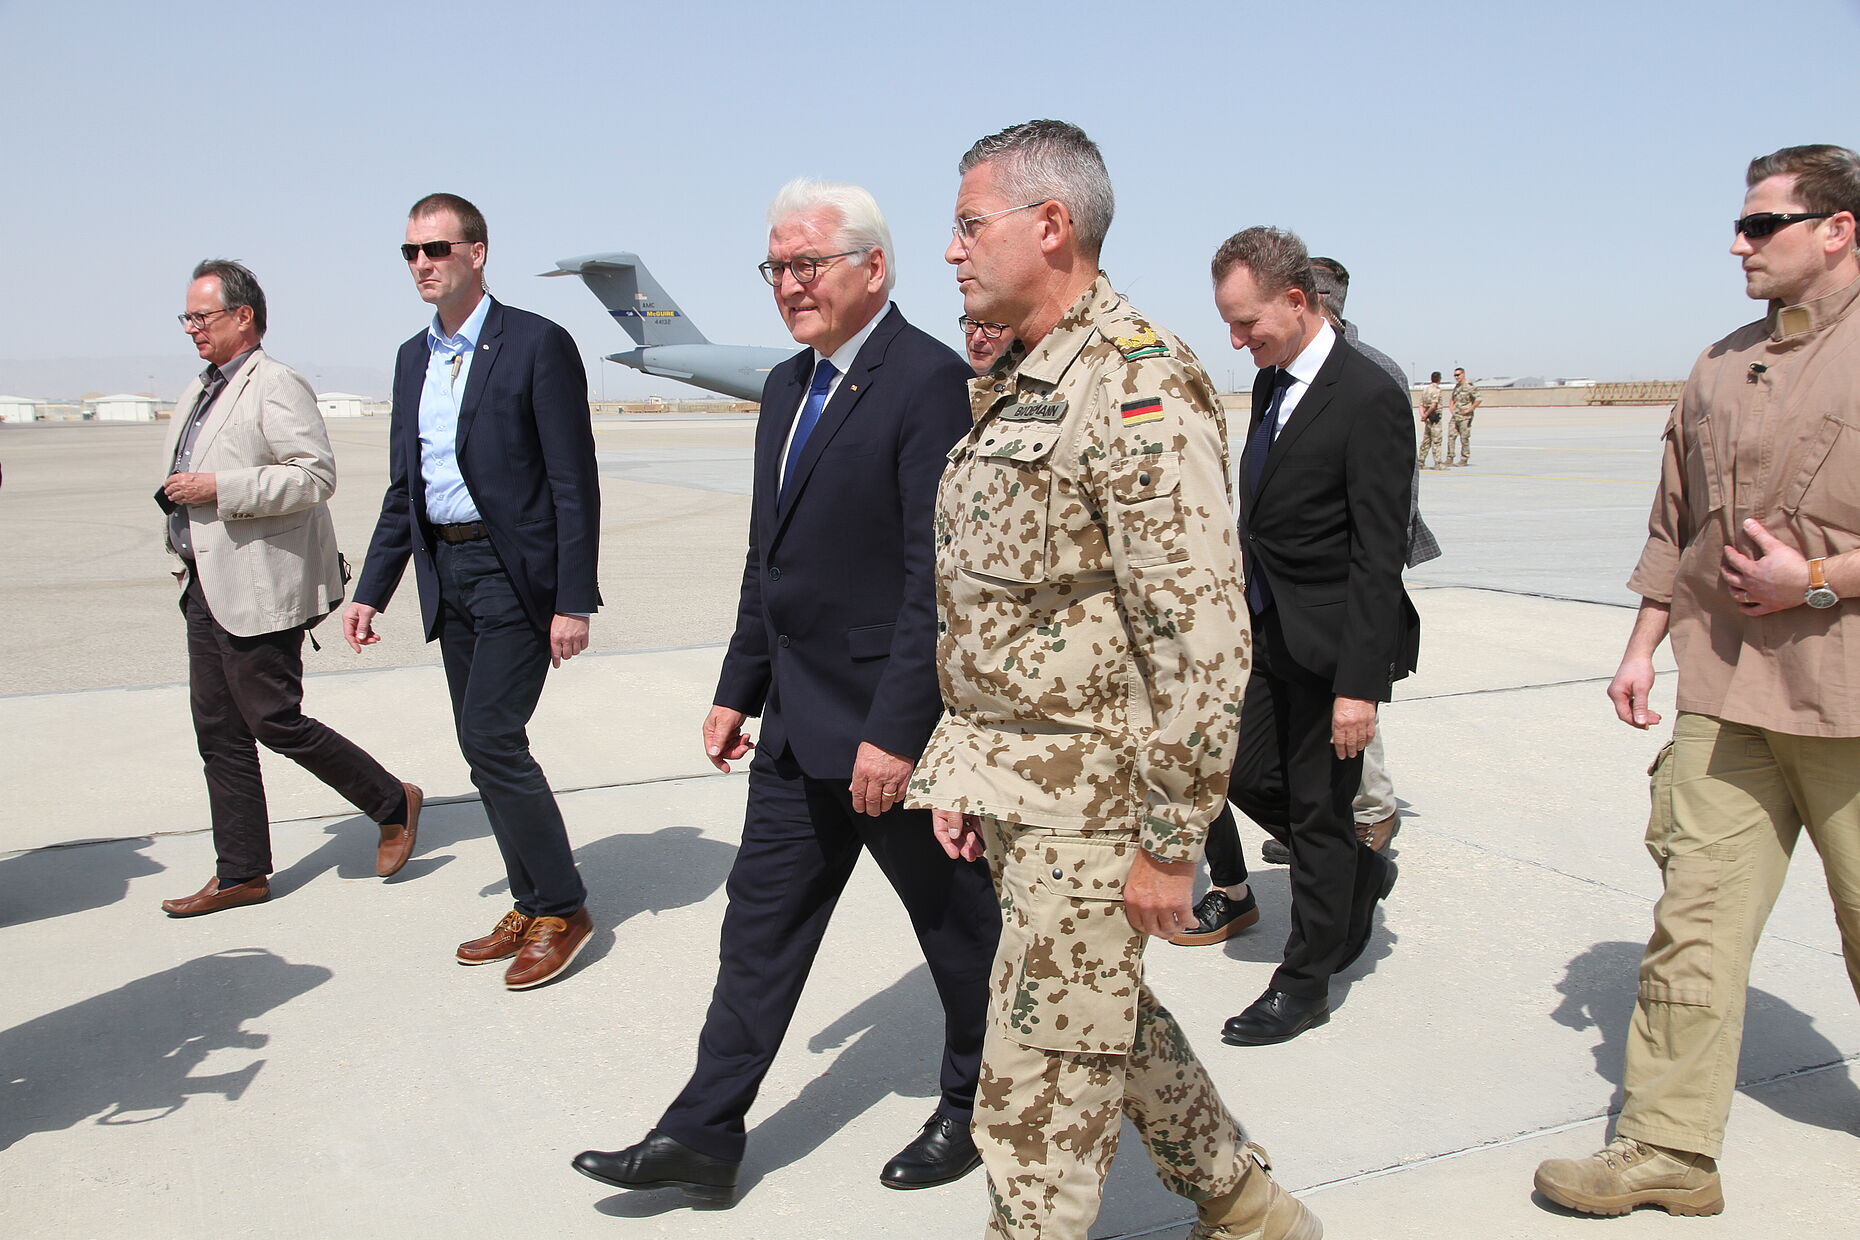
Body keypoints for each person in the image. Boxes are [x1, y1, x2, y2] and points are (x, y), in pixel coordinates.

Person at [912, 119, 1321, 1240]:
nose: (950, 251)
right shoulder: (1021, 382)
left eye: (967, 224)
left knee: (1038, 1092)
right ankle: (1250, 1209)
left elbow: (1201, 639)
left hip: (1100, 814)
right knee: (1106, 1024)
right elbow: (1007, 617)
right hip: (1022, 795)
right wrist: (969, 769)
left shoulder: (1138, 387)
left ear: (1050, 226)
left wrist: (1172, 839)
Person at [572, 181, 999, 1204]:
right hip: (796, 726)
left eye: (808, 264)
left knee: (958, 933)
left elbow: (931, 578)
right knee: (758, 930)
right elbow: (770, 560)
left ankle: (977, 1099)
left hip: (889, 741)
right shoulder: (792, 387)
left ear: (873, 269)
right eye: (776, 268)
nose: (789, 286)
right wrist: (737, 684)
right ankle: (704, 1135)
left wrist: (898, 735)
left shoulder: (926, 382)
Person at [1533, 144, 1860, 1218]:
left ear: (1837, 228)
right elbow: (1677, 520)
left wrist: (1813, 578)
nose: (1739, 244)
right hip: (1725, 691)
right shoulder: (1719, 365)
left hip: (1850, 697)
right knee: (1696, 917)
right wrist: (1641, 643)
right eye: (1741, 223)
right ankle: (1670, 1146)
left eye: (1762, 225)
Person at [344, 193, 601, 990]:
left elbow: (572, 481)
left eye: (438, 250)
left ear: (477, 254)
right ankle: (530, 900)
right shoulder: (411, 358)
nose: (423, 264)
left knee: (492, 735)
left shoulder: (536, 344)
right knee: (478, 742)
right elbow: (406, 487)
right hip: (446, 573)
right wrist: (371, 590)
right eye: (411, 253)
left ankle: (564, 907)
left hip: (514, 573)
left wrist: (574, 597)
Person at [157, 260, 419, 918]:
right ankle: (241, 871)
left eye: (202, 316)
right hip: (204, 585)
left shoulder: (275, 384)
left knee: (273, 718)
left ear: (243, 317)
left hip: (258, 583)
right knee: (218, 731)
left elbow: (313, 476)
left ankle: (391, 801)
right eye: (187, 317)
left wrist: (221, 487)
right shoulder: (200, 389)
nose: (192, 328)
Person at [1207, 227, 1416, 1046]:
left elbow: (1378, 553)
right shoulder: (1272, 382)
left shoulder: (1367, 394)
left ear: (1299, 300)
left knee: (1321, 813)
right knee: (1238, 771)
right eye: (1228, 324)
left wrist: (1358, 687)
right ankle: (1359, 871)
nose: (1237, 340)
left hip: (1332, 648)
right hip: (1268, 634)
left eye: (1247, 321)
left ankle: (1305, 980)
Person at [1446, 366, 1479, 465]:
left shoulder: (1469, 386)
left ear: (1463, 374)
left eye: (1458, 375)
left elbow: (1478, 399)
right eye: (1455, 375)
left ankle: (1464, 459)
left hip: (1465, 417)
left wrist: (1469, 409)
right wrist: (1451, 407)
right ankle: (1450, 458)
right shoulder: (1457, 387)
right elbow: (1453, 398)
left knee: (1464, 438)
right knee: (1451, 436)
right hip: (1455, 416)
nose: (1456, 377)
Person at [1417, 371, 1446, 469]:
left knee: (1426, 440)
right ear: (1439, 379)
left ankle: (1421, 461)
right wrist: (1427, 414)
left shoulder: (1425, 390)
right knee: (1436, 441)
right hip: (1434, 418)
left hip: (1428, 419)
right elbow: (1434, 405)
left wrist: (1423, 415)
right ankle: (1438, 463)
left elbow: (1421, 405)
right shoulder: (1436, 390)